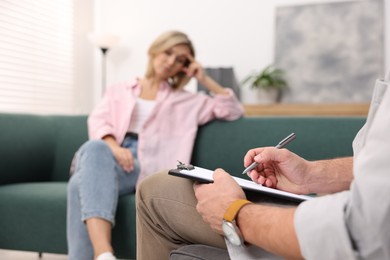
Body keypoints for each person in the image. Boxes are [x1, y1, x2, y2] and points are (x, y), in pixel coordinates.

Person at [136, 72, 390, 260]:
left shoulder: (187, 100)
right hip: (347, 206)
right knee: (161, 187)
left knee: (155, 195)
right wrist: (311, 175)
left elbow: (366, 232)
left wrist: (235, 213)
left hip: (344, 237)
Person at [67, 30, 243, 260]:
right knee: (95, 148)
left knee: (76, 185)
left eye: (180, 59)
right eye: (168, 53)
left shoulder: (187, 100)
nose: (170, 62)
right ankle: (104, 254)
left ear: (185, 67)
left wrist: (203, 78)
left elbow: (232, 110)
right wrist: (114, 147)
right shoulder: (120, 89)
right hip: (108, 155)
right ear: (155, 50)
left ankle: (102, 255)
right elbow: (99, 121)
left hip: (143, 167)